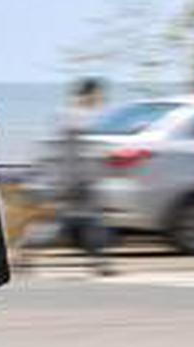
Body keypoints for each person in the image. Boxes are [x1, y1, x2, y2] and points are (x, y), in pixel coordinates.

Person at [58, 77, 114, 275]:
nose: (100, 99)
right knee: (88, 221)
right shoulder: (78, 117)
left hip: (79, 178)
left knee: (76, 222)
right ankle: (100, 263)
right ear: (89, 94)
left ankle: (99, 262)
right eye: (98, 94)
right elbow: (76, 152)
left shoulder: (73, 115)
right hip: (80, 180)